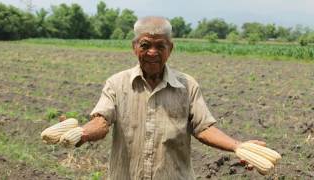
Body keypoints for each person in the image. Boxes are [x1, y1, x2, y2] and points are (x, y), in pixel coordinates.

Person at [76, 16, 265, 180]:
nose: (152, 52)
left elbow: (204, 127)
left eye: (160, 46)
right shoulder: (116, 84)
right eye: (145, 45)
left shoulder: (187, 86)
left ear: (170, 49)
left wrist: (238, 146)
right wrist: (81, 133)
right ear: (134, 47)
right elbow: (101, 121)